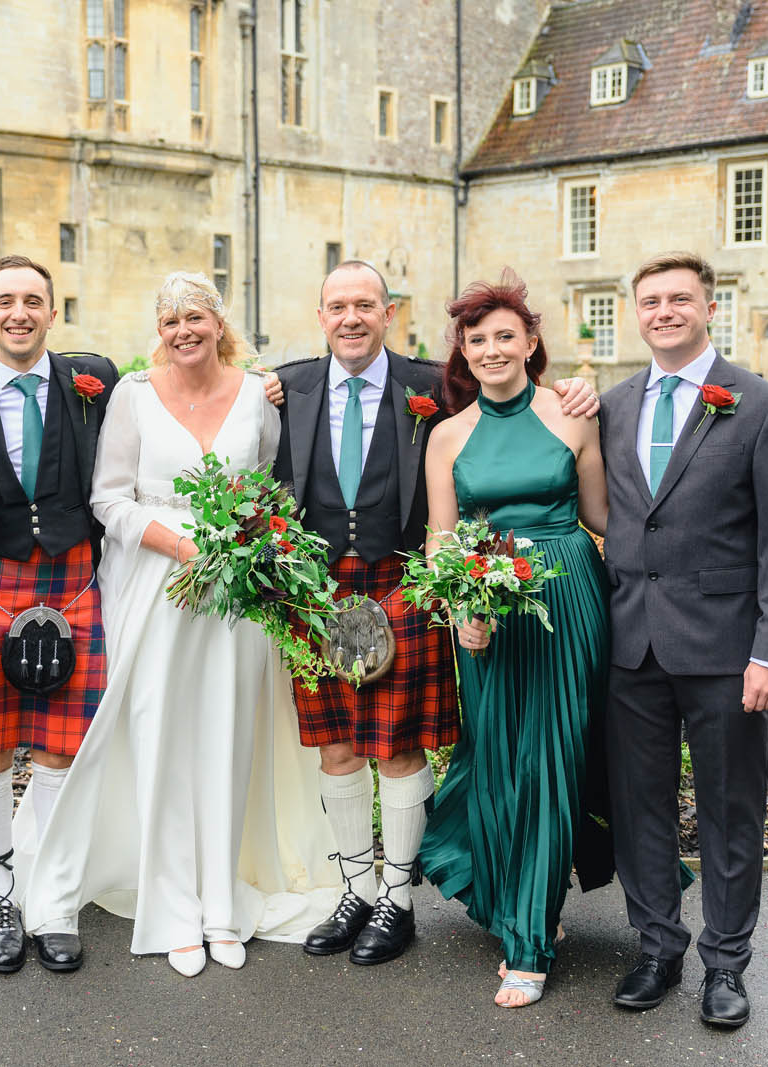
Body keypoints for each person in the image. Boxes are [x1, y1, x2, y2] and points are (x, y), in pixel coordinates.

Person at [274, 261, 600, 967]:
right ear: (320, 314)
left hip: (402, 580)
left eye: (365, 304)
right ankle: (356, 889)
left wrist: (579, 385)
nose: (351, 317)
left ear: (389, 312)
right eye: (337, 306)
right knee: (336, 745)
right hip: (317, 589)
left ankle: (398, 896)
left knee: (396, 744)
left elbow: (517, 397)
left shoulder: (433, 385)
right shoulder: (286, 387)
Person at [23, 272, 340, 977]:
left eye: (194, 316)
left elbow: (274, 492)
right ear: (158, 330)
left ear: (217, 321)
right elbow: (108, 498)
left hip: (237, 596)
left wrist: (246, 542)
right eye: (170, 321)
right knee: (161, 736)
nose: (182, 331)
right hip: (155, 588)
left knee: (228, 736)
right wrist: (179, 544)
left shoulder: (260, 394)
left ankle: (222, 903)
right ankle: (171, 910)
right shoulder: (133, 394)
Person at [599, 252, 768, 1028]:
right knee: (640, 807)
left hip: (727, 651)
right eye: (650, 300)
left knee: (730, 810)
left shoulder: (760, 407)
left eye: (678, 298)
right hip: (632, 647)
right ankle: (657, 946)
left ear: (709, 306)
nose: (663, 310)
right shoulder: (615, 406)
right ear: (637, 312)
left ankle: (727, 963)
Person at [415, 274, 610, 1008]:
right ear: (463, 352)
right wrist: (459, 609)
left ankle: (531, 938)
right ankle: (518, 899)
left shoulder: (575, 415)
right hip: (488, 609)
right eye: (478, 339)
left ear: (531, 342)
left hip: (566, 596)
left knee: (554, 758)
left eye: (506, 335)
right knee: (499, 759)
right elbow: (439, 544)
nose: (493, 349)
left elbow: (602, 517)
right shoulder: (447, 436)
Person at [0, 254, 117, 975]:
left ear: (52, 312)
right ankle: (2, 897)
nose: (19, 312)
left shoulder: (93, 384)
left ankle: (56, 900)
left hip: (72, 581)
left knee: (61, 752)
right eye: (5, 300)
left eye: (33, 300)